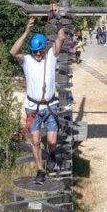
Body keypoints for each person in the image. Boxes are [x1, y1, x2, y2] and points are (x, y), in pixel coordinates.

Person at [10, 18, 66, 184]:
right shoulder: (26, 60)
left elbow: (61, 38)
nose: (38, 53)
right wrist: (26, 32)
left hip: (50, 106)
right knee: (35, 140)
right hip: (32, 108)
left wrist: (59, 21)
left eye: (40, 50)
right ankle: (40, 170)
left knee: (51, 140)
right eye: (35, 51)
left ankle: (52, 154)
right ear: (32, 51)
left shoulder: (51, 57)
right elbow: (12, 52)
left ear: (44, 48)